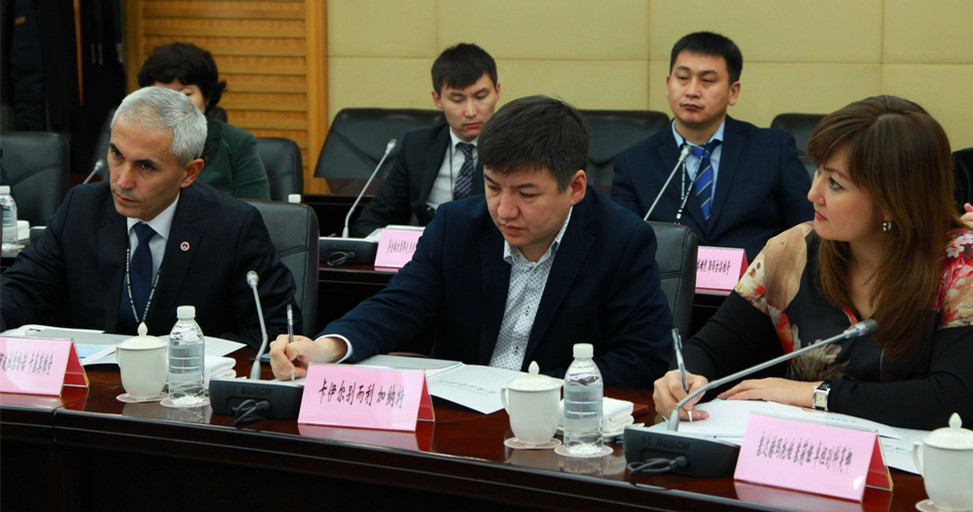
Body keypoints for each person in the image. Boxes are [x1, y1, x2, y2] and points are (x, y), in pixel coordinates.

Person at [271, 96, 673, 387]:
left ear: (576, 187)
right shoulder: (457, 225)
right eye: (493, 187)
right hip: (460, 417)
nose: (504, 210)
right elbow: (400, 304)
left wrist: (539, 388)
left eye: (526, 194)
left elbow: (643, 357)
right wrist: (327, 348)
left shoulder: (622, 241)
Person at [653, 96, 973, 430]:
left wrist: (815, 394)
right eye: (818, 170)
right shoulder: (792, 250)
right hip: (805, 451)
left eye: (835, 183)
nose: (812, 193)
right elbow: (712, 348)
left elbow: (953, 400)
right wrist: (682, 378)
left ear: (893, 201)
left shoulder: (961, 263)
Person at [1, 86, 298, 348]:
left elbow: (275, 330)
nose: (123, 181)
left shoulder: (232, 227)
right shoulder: (82, 208)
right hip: (95, 385)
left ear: (189, 172)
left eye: (146, 166)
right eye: (117, 155)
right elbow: (22, 289)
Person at [611, 31, 811, 260]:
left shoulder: (772, 150)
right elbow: (622, 244)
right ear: (668, 84)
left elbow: (806, 228)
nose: (692, 91)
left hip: (756, 280)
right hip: (667, 282)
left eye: (707, 81)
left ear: (733, 92)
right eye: (683, 78)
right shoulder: (634, 163)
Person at [350, 43, 500, 237]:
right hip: (428, 250)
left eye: (480, 97)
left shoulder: (514, 149)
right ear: (437, 99)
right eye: (457, 100)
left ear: (497, 91)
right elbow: (372, 221)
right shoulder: (417, 147)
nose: (471, 111)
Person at [138, 42, 270, 200]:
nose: (174, 104)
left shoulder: (238, 143)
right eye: (163, 95)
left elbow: (257, 209)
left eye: (186, 94)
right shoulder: (134, 140)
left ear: (207, 97)